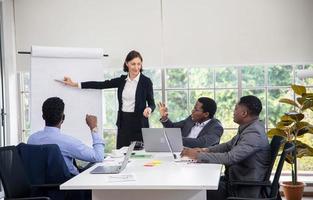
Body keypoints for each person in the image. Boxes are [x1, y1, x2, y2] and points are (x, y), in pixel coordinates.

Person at [61, 50, 155, 149]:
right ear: (127, 63)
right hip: (123, 123)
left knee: (138, 156)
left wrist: (149, 109)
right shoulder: (122, 80)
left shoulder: (146, 82)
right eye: (133, 64)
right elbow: (101, 84)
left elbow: (152, 104)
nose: (136, 67)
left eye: (139, 64)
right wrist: (76, 84)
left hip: (139, 124)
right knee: (121, 155)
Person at [181, 95, 271, 199]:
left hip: (242, 187)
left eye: (236, 109)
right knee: (200, 182)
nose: (233, 112)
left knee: (197, 191)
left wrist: (198, 156)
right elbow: (228, 145)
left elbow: (230, 158)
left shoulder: (254, 133)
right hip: (235, 180)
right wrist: (205, 150)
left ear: (244, 113)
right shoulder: (250, 128)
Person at [28, 97, 105, 175]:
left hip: (39, 185)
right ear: (63, 118)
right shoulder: (67, 142)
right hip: (70, 184)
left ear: (43, 116)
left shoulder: (32, 139)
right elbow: (99, 157)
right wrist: (93, 127)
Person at [158, 97, 223, 148]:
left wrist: (176, 139)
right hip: (180, 154)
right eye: (193, 108)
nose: (192, 111)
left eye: (196, 110)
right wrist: (164, 118)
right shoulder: (191, 119)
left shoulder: (216, 127)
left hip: (199, 159)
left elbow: (201, 143)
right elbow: (172, 128)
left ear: (206, 114)